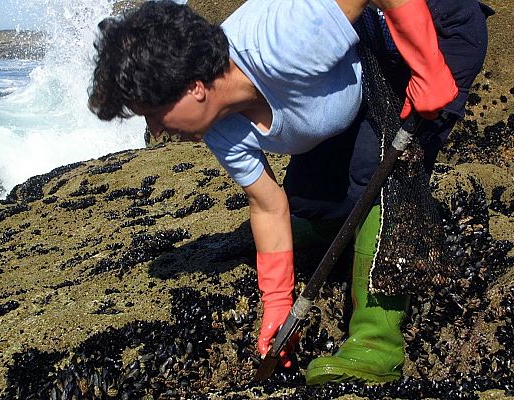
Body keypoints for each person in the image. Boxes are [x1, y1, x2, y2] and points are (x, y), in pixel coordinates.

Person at [88, 0, 488, 384]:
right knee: (309, 202)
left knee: (380, 179)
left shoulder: (281, 41)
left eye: (154, 114)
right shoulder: (217, 125)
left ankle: (377, 342)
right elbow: (267, 203)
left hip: (427, 30)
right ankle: (350, 234)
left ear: (194, 87)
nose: (155, 131)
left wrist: (429, 67)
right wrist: (278, 307)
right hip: (360, 64)